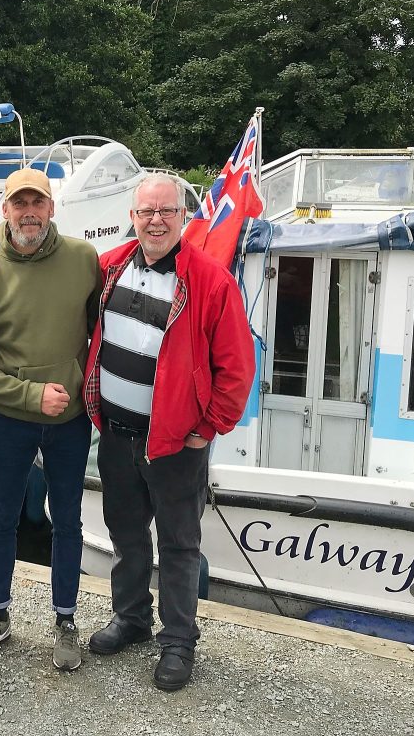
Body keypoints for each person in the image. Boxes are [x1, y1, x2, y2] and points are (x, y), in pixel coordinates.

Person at [82, 173, 255, 691]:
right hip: (116, 433)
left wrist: (210, 428)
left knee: (179, 544)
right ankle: (132, 618)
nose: (155, 220)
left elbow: (236, 368)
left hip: (177, 443)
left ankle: (179, 640)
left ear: (183, 217)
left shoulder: (209, 280)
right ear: (132, 217)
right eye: (146, 211)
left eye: (166, 211)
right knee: (126, 535)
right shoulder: (108, 268)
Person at [0, 167, 100, 671]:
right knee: (1, 518)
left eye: (37, 203)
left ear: (52, 208)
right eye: (19, 204)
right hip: (10, 418)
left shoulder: (84, 259)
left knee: (67, 521)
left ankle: (65, 618)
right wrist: (32, 395)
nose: (29, 212)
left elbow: (101, 331)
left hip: (71, 417)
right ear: (6, 211)